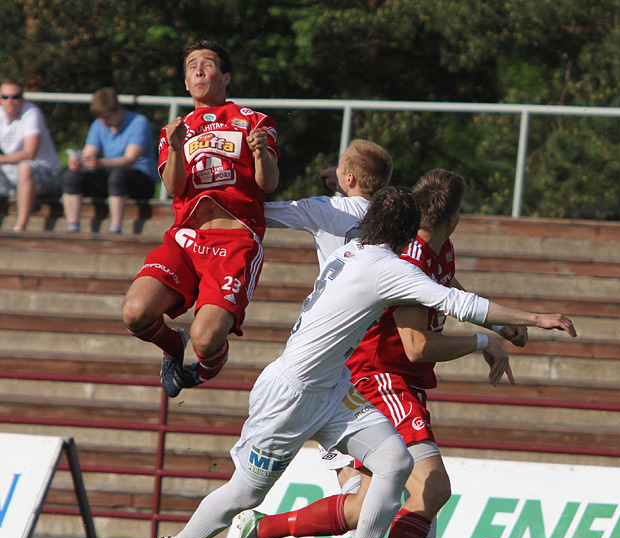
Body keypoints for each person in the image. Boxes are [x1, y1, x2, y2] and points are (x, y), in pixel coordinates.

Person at [154, 186, 577, 538]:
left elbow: (443, 290)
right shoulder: (386, 268)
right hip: (292, 396)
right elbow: (458, 303)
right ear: (408, 232)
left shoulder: (352, 251)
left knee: (394, 460)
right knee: (246, 494)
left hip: (333, 387)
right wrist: (538, 317)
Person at [232, 170, 527, 538]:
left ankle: (264, 529)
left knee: (365, 506)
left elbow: (446, 289)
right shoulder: (408, 257)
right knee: (431, 485)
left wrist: (500, 323)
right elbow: (416, 345)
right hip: (379, 377)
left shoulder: (438, 248)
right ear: (455, 217)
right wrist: (485, 340)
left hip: (394, 380)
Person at [121, 40, 280, 399]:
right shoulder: (173, 130)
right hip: (186, 239)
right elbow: (175, 187)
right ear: (186, 83)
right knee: (135, 313)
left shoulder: (254, 121)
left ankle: (207, 366)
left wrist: (260, 154)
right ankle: (172, 346)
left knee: (206, 340)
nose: (198, 70)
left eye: (207, 64)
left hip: (235, 242)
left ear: (225, 77)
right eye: (192, 65)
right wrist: (176, 148)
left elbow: (267, 183)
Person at [264, 138, 393, 265]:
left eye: (339, 167)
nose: (334, 170)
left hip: (336, 286)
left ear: (350, 179)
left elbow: (264, 214)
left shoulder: (328, 209)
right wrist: (342, 181)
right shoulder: (391, 216)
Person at [61, 87, 158, 233]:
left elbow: (129, 160)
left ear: (118, 109)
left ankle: (115, 229)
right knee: (72, 176)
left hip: (140, 179)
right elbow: (89, 153)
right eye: (100, 118)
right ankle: (72, 227)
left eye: (106, 117)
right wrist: (79, 163)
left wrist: (99, 163)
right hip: (112, 178)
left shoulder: (138, 122)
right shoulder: (99, 124)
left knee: (118, 175)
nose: (103, 122)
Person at [0, 79, 61, 233]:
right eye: (5, 97)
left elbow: (29, 153)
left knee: (25, 167)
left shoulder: (32, 113)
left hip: (46, 174)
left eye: (16, 96)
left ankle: (20, 227)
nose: (11, 101)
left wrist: (2, 160)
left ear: (22, 98)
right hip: (14, 175)